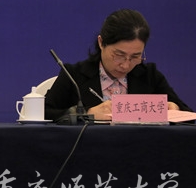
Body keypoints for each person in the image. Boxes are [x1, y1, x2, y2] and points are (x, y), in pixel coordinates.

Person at [45, 9, 191, 121]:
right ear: (101, 42)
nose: (126, 65)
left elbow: (189, 115)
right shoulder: (74, 76)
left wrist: (175, 108)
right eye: (119, 55)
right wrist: (87, 113)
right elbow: (44, 112)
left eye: (135, 57)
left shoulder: (150, 76)